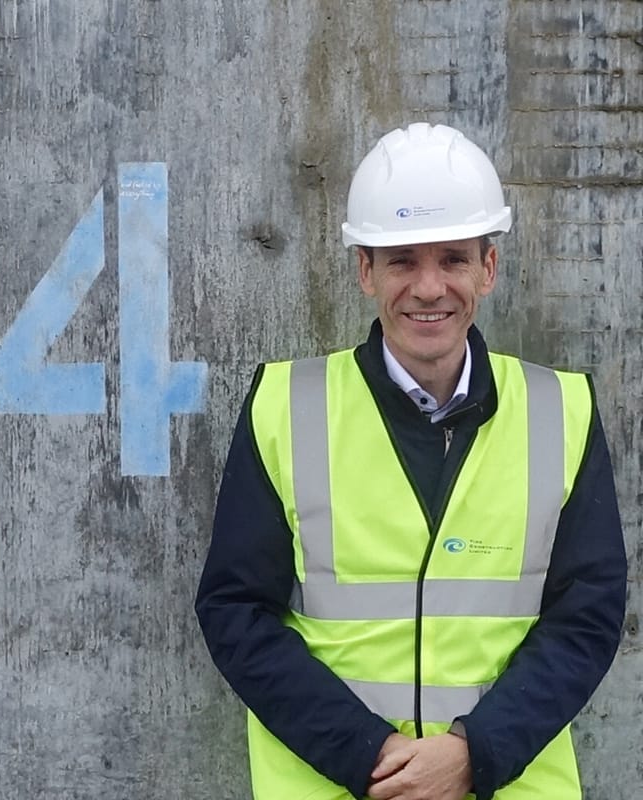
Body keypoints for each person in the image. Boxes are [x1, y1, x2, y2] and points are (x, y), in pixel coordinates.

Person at [195, 122, 627, 800]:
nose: (429, 288)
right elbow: (236, 612)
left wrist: (473, 755)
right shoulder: (285, 404)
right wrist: (375, 758)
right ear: (365, 271)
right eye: (402, 260)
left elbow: (588, 617)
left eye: (452, 259)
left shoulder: (560, 410)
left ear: (487, 268)